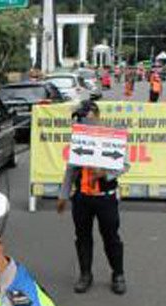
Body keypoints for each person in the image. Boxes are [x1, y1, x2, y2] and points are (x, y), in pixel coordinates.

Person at [57, 101, 128, 295]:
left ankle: (118, 274)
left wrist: (104, 173)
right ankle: (85, 275)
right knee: (82, 237)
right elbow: (71, 169)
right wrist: (63, 195)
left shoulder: (112, 136)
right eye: (79, 118)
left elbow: (125, 164)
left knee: (111, 237)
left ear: (95, 114)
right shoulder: (78, 138)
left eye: (84, 116)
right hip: (82, 198)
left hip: (106, 198)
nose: (81, 121)